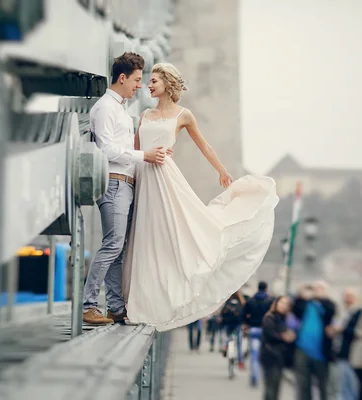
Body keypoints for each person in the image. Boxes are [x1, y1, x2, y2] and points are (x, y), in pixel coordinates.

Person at [121, 63, 278, 331]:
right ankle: (135, 304)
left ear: (168, 84)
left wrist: (222, 172)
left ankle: (157, 303)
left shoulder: (184, 115)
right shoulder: (145, 114)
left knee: (171, 235)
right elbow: (135, 148)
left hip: (165, 178)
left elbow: (204, 144)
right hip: (144, 175)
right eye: (148, 80)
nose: (148, 84)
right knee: (143, 236)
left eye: (154, 80)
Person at [82, 53, 167, 325]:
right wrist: (144, 156)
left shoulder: (121, 109)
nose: (139, 86)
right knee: (112, 245)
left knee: (118, 250)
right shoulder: (106, 108)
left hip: (126, 183)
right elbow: (106, 150)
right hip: (114, 182)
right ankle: (88, 305)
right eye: (136, 79)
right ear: (122, 78)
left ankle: (116, 307)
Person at [292, 280, 337, 400]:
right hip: (303, 348)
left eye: (320, 288)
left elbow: (331, 311)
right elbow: (296, 309)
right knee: (303, 383)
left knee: (323, 385)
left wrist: (321, 298)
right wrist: (301, 295)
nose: (317, 290)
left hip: (321, 352)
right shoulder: (306, 303)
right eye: (315, 288)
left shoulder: (328, 304)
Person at [261, 296, 296, 400]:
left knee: (276, 386)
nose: (283, 305)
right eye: (281, 303)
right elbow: (270, 334)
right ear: (276, 304)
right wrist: (284, 336)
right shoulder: (270, 317)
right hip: (270, 355)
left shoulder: (286, 318)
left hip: (280, 356)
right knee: (271, 386)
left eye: (286, 304)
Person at [333, 288, 362, 400]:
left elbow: (359, 332)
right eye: (346, 297)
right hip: (340, 352)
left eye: (350, 297)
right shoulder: (341, 313)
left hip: (352, 354)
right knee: (342, 384)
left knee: (351, 385)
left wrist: (342, 329)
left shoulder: (359, 313)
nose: (348, 299)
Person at [243, 281, 273, 387]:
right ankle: (265, 376)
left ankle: (254, 375)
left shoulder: (251, 301)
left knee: (254, 354)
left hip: (253, 330)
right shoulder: (270, 301)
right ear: (266, 288)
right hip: (266, 331)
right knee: (265, 354)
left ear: (257, 288)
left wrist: (247, 324)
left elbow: (244, 314)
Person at [220, 291, 246, 369]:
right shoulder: (240, 302)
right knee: (239, 343)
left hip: (228, 324)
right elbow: (244, 312)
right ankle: (240, 362)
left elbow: (222, 313)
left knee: (228, 336)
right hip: (237, 324)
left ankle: (225, 345)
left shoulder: (228, 302)